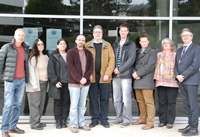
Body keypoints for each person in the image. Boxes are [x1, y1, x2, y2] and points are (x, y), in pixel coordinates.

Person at [0, 28, 29, 137]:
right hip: (10, 81)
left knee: (17, 105)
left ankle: (13, 126)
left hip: (21, 80)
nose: (21, 37)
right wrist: (3, 76)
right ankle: (4, 129)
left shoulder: (25, 48)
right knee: (8, 105)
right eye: (19, 35)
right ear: (14, 35)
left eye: (22, 35)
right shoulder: (7, 47)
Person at [85, 25, 115, 128]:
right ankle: (94, 119)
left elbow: (112, 60)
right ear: (93, 34)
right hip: (92, 77)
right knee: (93, 98)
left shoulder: (107, 45)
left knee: (104, 98)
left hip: (104, 76)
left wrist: (107, 74)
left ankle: (104, 119)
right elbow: (84, 62)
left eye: (99, 32)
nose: (97, 34)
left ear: (102, 34)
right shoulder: (87, 45)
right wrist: (87, 74)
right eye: (96, 32)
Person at [175, 28, 200, 136]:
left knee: (193, 105)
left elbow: (195, 66)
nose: (185, 37)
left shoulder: (196, 48)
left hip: (191, 81)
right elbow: (176, 65)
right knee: (186, 104)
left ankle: (194, 128)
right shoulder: (180, 50)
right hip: (181, 81)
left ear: (191, 37)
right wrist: (177, 75)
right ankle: (190, 124)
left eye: (187, 35)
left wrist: (183, 76)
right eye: (183, 35)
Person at [67, 34, 93, 133]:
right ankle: (73, 124)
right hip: (74, 83)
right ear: (76, 41)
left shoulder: (89, 54)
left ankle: (82, 123)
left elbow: (90, 67)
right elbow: (70, 68)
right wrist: (79, 79)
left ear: (85, 42)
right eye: (79, 40)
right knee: (74, 105)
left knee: (82, 105)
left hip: (85, 83)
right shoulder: (70, 53)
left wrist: (85, 78)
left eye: (83, 40)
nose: (81, 41)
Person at [112, 23, 136, 127]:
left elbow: (131, 60)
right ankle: (119, 117)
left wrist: (120, 69)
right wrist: (113, 70)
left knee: (126, 99)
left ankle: (127, 119)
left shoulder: (131, 44)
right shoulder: (115, 43)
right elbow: (112, 57)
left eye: (125, 30)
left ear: (128, 32)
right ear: (119, 31)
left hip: (125, 75)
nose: (123, 32)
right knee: (116, 98)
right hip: (115, 76)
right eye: (121, 30)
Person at [132, 34, 157, 130]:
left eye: (145, 41)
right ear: (139, 42)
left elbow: (150, 66)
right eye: (142, 41)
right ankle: (142, 118)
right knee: (140, 101)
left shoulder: (152, 52)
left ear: (148, 41)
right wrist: (134, 72)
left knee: (149, 102)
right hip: (137, 79)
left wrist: (138, 73)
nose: (143, 43)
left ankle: (150, 122)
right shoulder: (137, 52)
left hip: (146, 79)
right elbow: (132, 63)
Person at [154, 38, 178, 129]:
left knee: (171, 103)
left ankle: (170, 121)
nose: (165, 44)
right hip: (160, 81)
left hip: (172, 82)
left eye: (167, 43)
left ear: (171, 45)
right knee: (162, 102)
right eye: (164, 43)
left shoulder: (175, 55)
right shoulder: (158, 55)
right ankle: (162, 120)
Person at [26, 39, 49, 130]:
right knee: (35, 105)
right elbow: (31, 72)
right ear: (35, 46)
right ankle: (34, 123)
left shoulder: (46, 57)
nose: (40, 45)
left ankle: (38, 121)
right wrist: (35, 85)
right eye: (38, 44)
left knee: (41, 104)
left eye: (42, 44)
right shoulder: (33, 57)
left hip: (44, 83)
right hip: (35, 84)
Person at [48, 38, 70, 129]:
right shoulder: (53, 56)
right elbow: (51, 71)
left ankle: (64, 120)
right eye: (61, 44)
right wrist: (55, 82)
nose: (63, 45)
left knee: (66, 102)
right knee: (57, 102)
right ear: (57, 45)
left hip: (68, 83)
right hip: (58, 83)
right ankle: (58, 121)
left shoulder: (69, 55)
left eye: (64, 44)